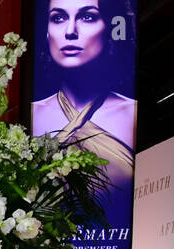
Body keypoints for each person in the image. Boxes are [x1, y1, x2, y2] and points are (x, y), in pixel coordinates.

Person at [30, 0, 136, 207]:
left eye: (87, 17)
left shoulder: (132, 114)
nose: (70, 31)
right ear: (46, 32)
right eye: (58, 18)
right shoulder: (32, 117)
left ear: (109, 27)